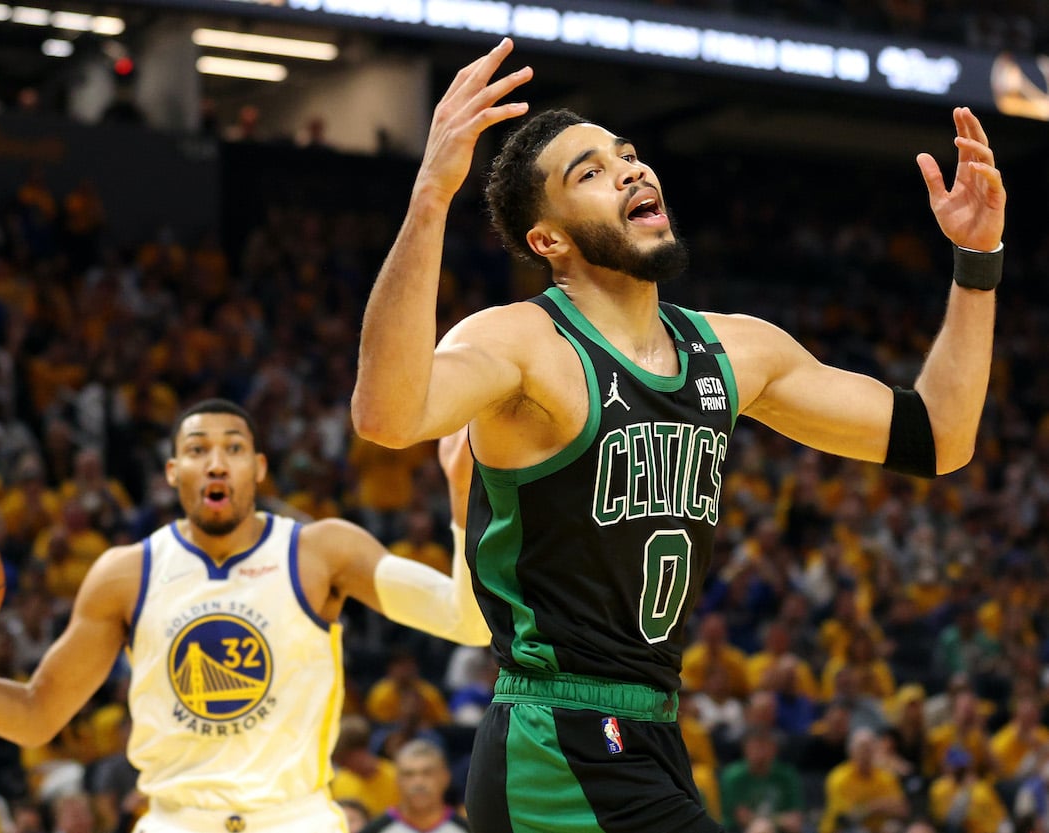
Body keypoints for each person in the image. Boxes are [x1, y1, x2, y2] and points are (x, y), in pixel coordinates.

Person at [352, 37, 1004, 833]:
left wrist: (977, 259)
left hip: (649, 730)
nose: (631, 169)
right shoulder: (525, 342)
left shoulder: (734, 350)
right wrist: (430, 196)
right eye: (588, 172)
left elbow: (938, 435)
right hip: (556, 740)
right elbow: (386, 414)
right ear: (547, 239)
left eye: (627, 155)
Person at [0, 399, 490, 833]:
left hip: (296, 819)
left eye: (234, 449)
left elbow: (466, 621)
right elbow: (36, 715)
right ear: (173, 473)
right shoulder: (124, 573)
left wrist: (462, 496)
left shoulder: (321, 551)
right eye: (197, 449)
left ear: (258, 469)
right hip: (175, 822)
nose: (215, 462)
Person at [364, 739, 469, 833]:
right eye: (408, 774)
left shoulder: (468, 829)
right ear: (397, 780)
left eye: (427, 773)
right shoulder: (374, 830)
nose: (418, 782)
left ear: (445, 777)